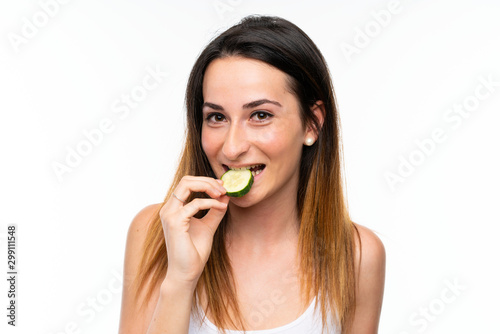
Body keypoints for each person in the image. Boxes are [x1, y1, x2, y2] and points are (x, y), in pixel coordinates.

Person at [118, 15, 385, 334]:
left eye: (260, 115)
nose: (231, 148)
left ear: (312, 123)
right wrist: (180, 279)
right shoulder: (156, 233)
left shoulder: (357, 255)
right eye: (216, 117)